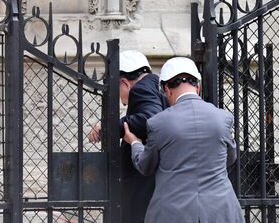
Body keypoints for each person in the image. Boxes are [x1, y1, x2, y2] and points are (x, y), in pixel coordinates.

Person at [123, 56, 244, 223]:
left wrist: (134, 142)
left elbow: (145, 166)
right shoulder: (223, 118)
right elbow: (230, 158)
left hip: (172, 212)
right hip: (220, 211)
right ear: (198, 86)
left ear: (167, 89)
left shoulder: (158, 123)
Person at [88, 50, 167, 223]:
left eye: (117, 90)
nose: (120, 99)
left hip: (140, 182)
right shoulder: (156, 84)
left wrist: (108, 127)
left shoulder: (140, 90)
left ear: (124, 82)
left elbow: (150, 119)